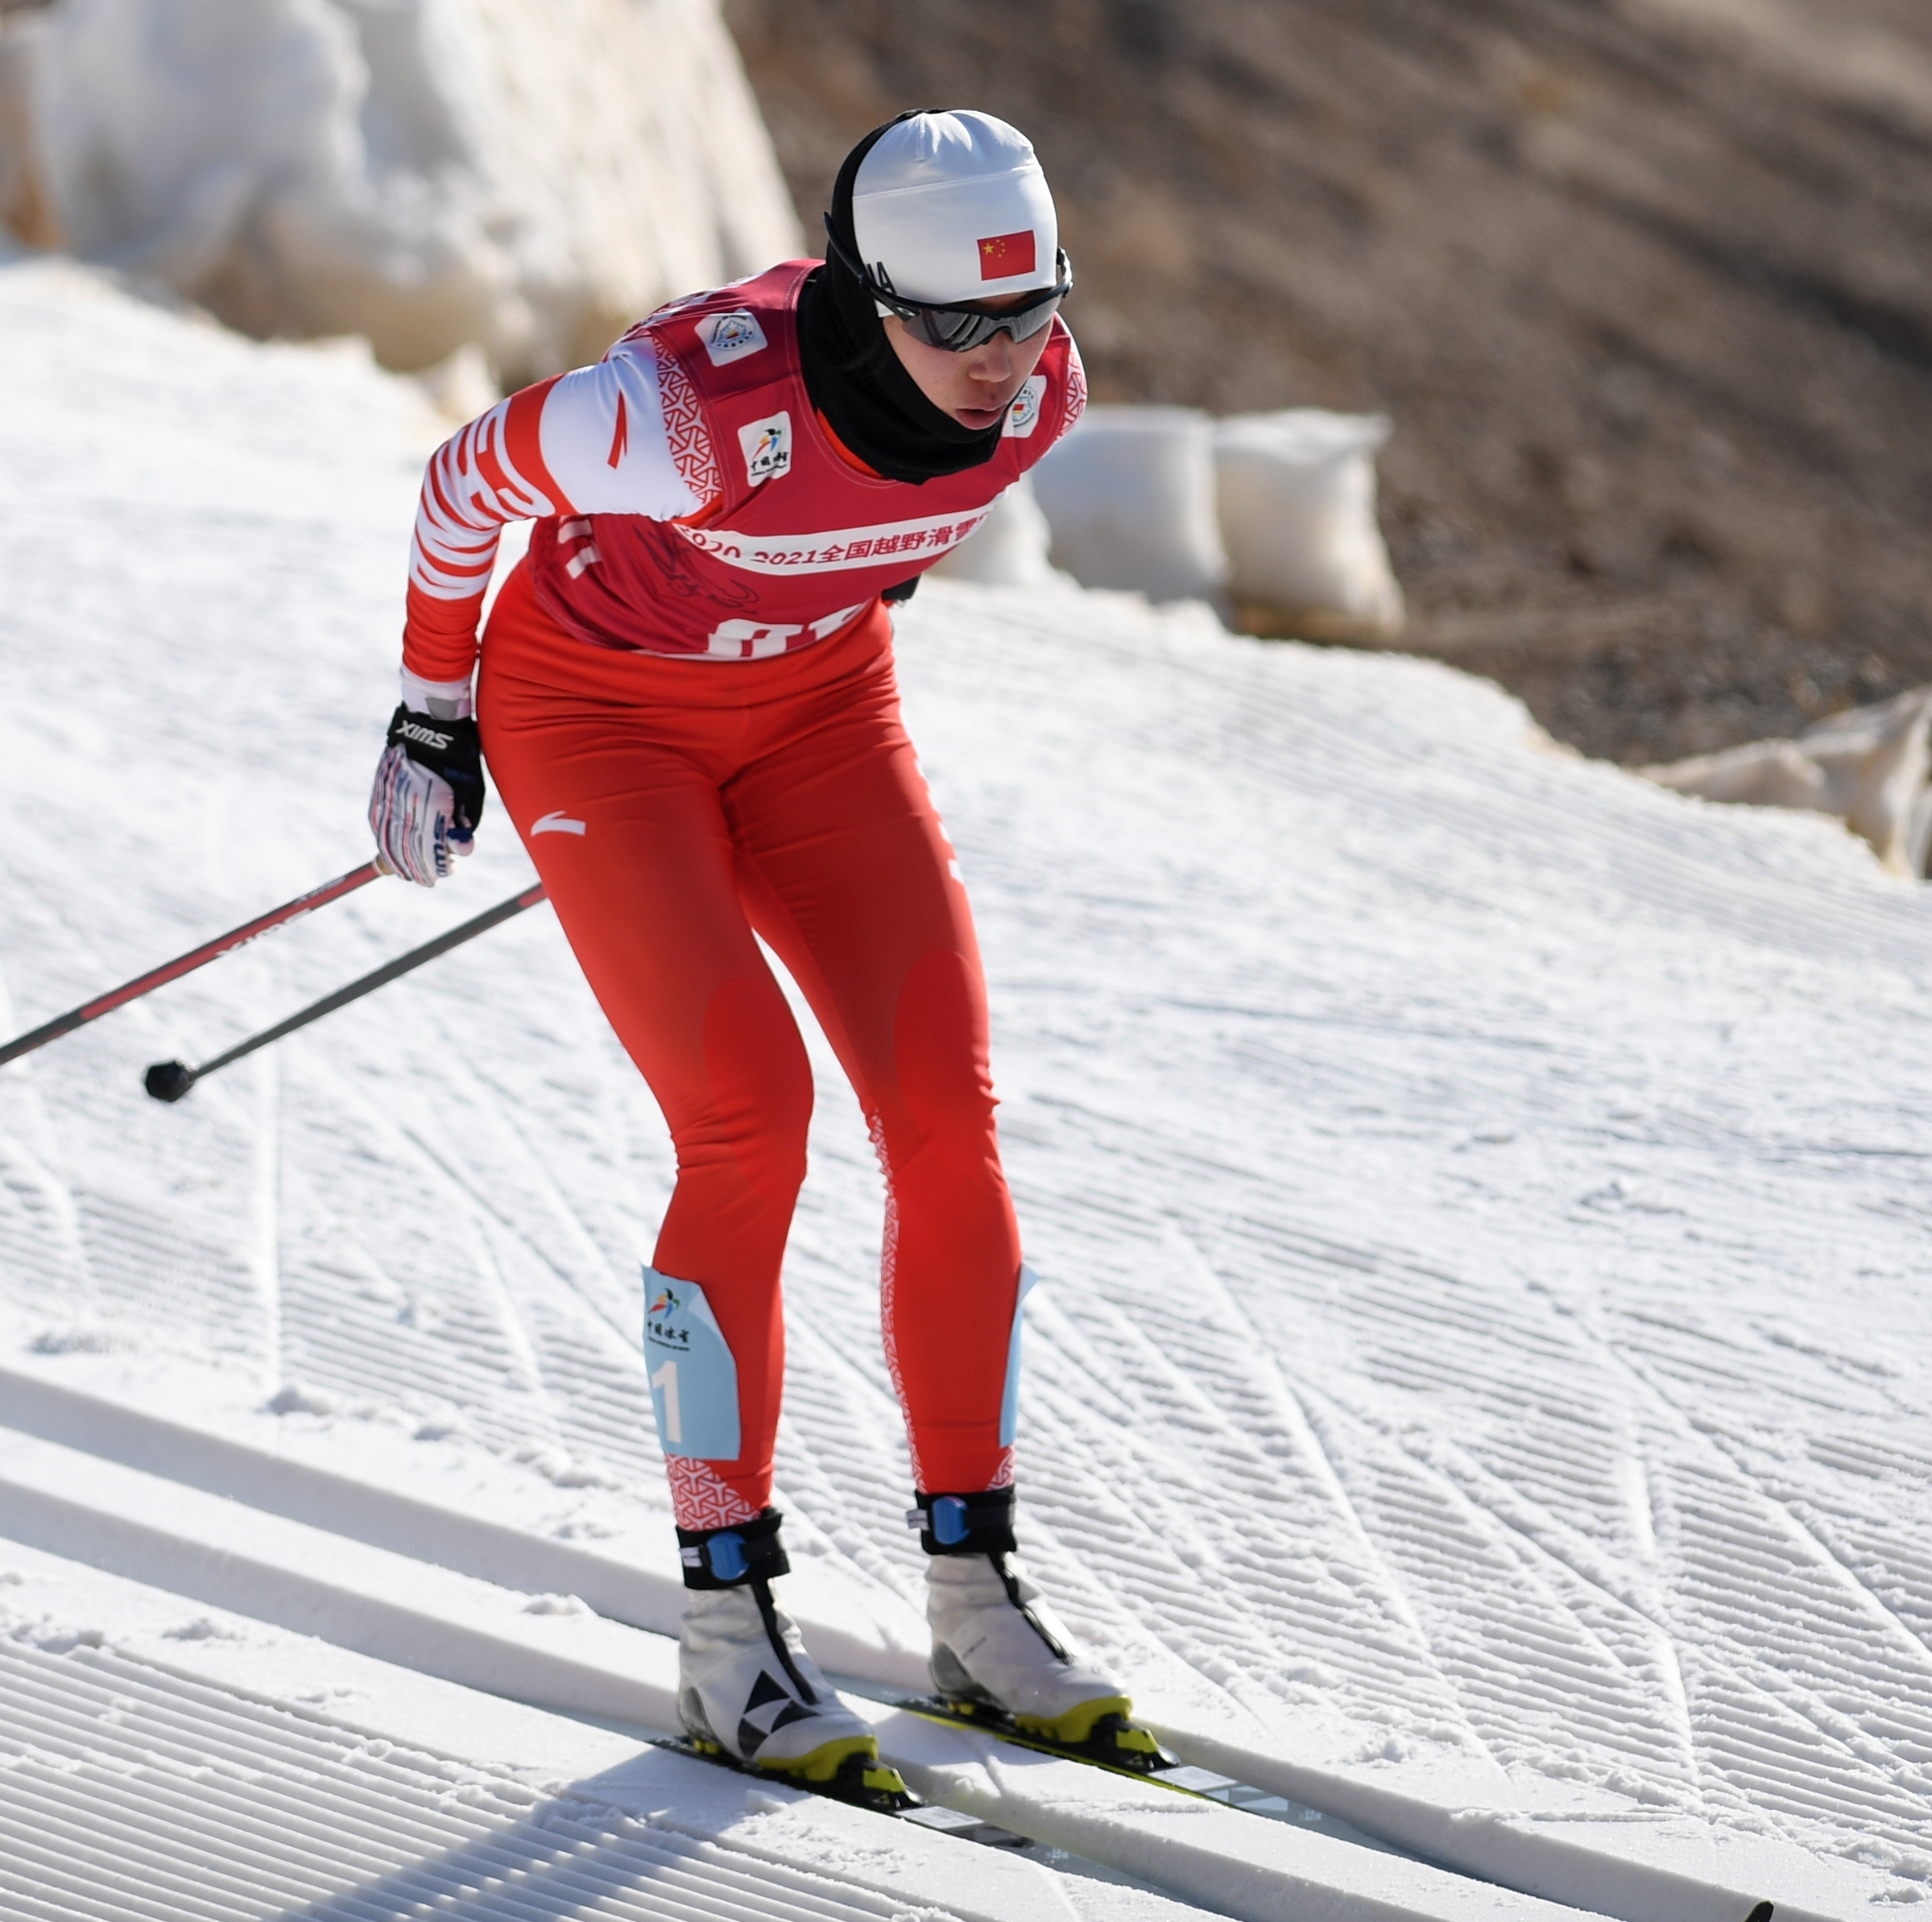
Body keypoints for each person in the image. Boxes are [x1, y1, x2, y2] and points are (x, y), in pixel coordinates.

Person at [365, 110, 1145, 1792]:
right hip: (592, 724)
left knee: (946, 1114)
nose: (1001, 366)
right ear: (869, 301)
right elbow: (462, 482)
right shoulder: (680, 420)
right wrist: (436, 720)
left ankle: (974, 1594)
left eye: (1028, 319)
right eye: (957, 329)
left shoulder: (1043, 397)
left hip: (815, 718)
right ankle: (727, 1636)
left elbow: (883, 532)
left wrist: (804, 602)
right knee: (750, 1123)